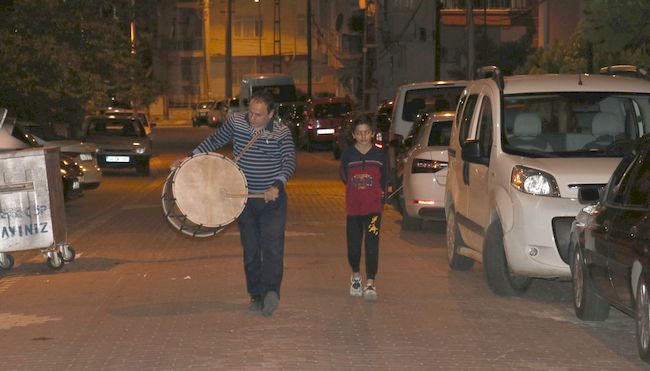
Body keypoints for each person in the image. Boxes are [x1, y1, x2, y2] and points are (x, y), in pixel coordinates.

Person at [190, 90, 296, 317]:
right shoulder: (237, 122)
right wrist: (190, 159)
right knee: (251, 250)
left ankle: (271, 293)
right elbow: (215, 140)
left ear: (271, 114)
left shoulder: (281, 132)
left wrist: (276, 185)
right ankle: (256, 295)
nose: (252, 118)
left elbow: (288, 162)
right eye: (251, 113)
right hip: (243, 200)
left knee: (273, 249)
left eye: (258, 115)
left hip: (272, 200)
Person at [339, 117, 388, 301]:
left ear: (372, 133)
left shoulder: (380, 155)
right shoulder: (348, 155)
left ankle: (371, 282)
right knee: (353, 247)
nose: (363, 136)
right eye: (359, 133)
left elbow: (385, 178)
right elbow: (344, 174)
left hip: (374, 209)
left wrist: (381, 197)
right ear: (353, 135)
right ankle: (356, 275)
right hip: (353, 210)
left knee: (372, 246)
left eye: (366, 132)